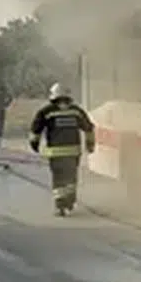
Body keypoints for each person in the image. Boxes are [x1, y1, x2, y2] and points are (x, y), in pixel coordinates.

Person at [28, 83, 96, 216]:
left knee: (58, 178)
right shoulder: (76, 111)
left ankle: (60, 206)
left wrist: (34, 145)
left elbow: (36, 130)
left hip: (56, 153)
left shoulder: (46, 112)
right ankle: (70, 200)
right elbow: (89, 128)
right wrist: (90, 144)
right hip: (73, 152)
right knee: (71, 176)